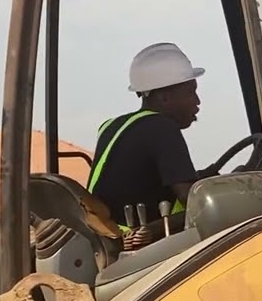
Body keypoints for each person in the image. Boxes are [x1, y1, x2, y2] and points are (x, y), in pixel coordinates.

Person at [86, 42, 204, 231]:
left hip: (109, 239)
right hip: (142, 244)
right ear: (164, 97)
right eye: (191, 92)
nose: (197, 101)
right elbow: (193, 200)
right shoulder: (162, 128)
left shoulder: (111, 126)